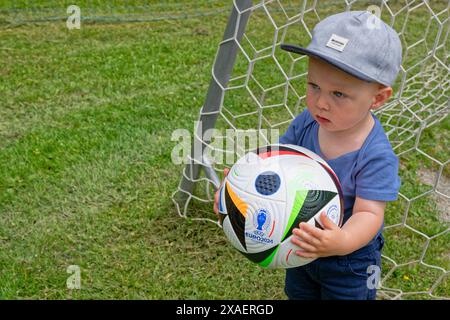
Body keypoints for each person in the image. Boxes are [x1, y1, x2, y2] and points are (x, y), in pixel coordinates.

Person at [214, 10, 402, 300]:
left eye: (338, 94)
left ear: (377, 98)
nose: (321, 103)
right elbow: (276, 161)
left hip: (350, 261)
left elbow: (369, 213)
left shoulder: (375, 155)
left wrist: (341, 241)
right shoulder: (307, 121)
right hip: (297, 245)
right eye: (314, 86)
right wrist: (238, 189)